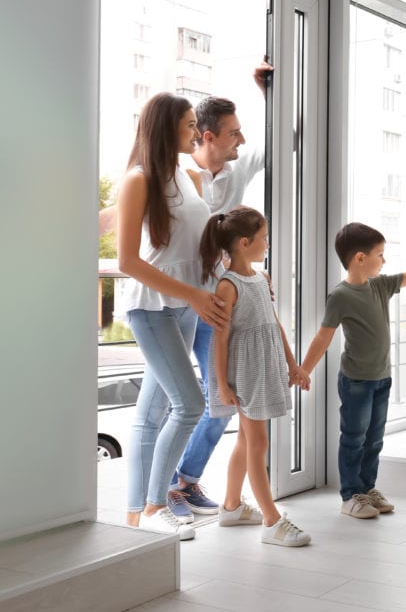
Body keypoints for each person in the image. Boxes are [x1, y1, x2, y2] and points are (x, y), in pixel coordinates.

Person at [299, 222, 406, 518]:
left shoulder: (380, 285)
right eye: (380, 254)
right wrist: (304, 370)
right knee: (353, 438)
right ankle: (350, 496)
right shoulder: (340, 296)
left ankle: (368, 489)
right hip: (356, 381)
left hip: (382, 378)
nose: (384, 260)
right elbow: (323, 337)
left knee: (374, 440)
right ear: (360, 258)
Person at [117, 92, 228, 540]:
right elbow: (128, 261)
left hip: (185, 305)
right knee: (190, 404)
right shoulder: (138, 180)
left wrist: (239, 276)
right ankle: (155, 504)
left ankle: (135, 515)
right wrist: (194, 296)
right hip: (151, 306)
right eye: (188, 124)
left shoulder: (189, 177)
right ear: (166, 127)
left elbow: (200, 248)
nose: (195, 132)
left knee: (154, 410)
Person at [168, 58, 274, 519]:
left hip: (219, 303)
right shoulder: (176, 177)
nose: (241, 141)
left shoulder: (238, 168)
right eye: (233, 133)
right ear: (207, 136)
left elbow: (283, 139)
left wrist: (267, 91)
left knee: (221, 401)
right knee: (177, 402)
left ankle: (184, 482)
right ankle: (161, 492)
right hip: (177, 303)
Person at [199, 205, 312, 547]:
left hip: (266, 365)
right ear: (244, 243)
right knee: (259, 443)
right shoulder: (227, 286)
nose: (268, 243)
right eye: (264, 238)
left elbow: (274, 324)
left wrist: (293, 364)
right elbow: (220, 339)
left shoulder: (261, 278)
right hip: (245, 372)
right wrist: (221, 384)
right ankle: (271, 520)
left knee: (246, 441)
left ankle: (232, 507)